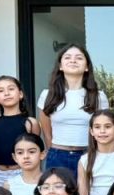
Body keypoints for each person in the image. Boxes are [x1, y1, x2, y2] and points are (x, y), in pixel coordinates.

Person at [37, 44, 108, 173]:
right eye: (67, 57)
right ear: (60, 66)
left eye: (79, 58)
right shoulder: (47, 95)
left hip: (90, 155)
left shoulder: (99, 96)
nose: (73, 60)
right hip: (57, 156)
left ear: (87, 67)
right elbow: (47, 132)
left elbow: (104, 128)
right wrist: (52, 150)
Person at [0, 75, 41, 186]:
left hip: (22, 172)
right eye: (1, 91)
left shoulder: (30, 123)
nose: (7, 93)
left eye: (11, 89)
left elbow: (36, 152)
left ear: (20, 94)